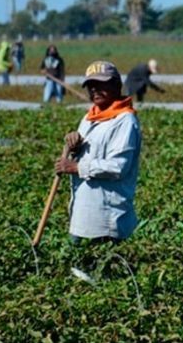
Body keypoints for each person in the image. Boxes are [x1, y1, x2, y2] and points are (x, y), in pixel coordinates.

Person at [54, 60, 141, 245]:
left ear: (116, 85)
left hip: (106, 216)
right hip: (83, 212)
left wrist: (76, 167)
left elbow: (118, 167)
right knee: (77, 269)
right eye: (91, 86)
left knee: (102, 267)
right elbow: (88, 152)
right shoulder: (89, 117)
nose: (95, 90)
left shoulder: (125, 120)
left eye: (101, 84)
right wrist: (74, 143)